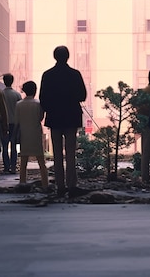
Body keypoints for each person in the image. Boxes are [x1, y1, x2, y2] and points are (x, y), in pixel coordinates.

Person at [40, 45, 87, 197]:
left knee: (57, 154)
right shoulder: (75, 74)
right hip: (72, 116)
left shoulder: (47, 75)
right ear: (68, 56)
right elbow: (82, 95)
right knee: (71, 153)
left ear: (55, 57)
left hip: (54, 117)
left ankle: (60, 186)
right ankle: (72, 185)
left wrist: (50, 108)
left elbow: (43, 98)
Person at [14, 81, 49, 189]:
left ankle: (22, 182)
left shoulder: (19, 104)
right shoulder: (38, 104)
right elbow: (40, 117)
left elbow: (17, 121)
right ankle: (45, 184)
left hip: (24, 134)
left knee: (23, 161)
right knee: (41, 161)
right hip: (36, 133)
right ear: (35, 91)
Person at [1, 73, 22, 174]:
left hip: (4, 122)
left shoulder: (1, 94)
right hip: (15, 122)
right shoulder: (17, 94)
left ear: (4, 81)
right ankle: (13, 167)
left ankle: (6, 166)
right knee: (13, 146)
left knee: (4, 146)